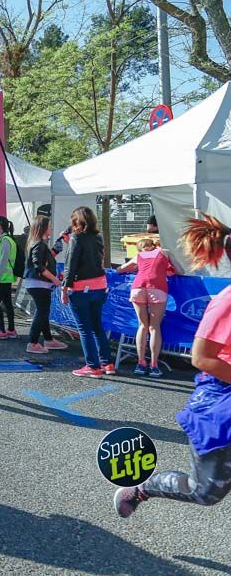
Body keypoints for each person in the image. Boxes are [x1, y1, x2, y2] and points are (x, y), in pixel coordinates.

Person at [114, 213, 231, 518]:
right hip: (221, 405)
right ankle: (141, 489)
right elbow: (201, 358)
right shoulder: (227, 301)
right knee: (204, 491)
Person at [117, 237, 183, 377]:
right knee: (154, 327)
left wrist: (136, 267)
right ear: (153, 245)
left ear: (140, 248)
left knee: (142, 326)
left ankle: (140, 363)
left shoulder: (139, 256)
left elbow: (120, 269)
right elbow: (180, 271)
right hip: (157, 288)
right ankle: (154, 365)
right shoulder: (165, 252)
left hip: (138, 287)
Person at [62, 206, 114, 378]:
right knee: (97, 325)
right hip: (100, 285)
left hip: (81, 287)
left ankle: (92, 366)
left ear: (76, 221)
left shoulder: (76, 238)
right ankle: (107, 363)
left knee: (84, 328)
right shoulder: (98, 238)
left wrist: (64, 287)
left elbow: (71, 264)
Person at [21, 216, 68, 354]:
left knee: (43, 312)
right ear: (43, 228)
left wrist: (57, 247)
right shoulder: (39, 244)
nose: (51, 228)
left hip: (38, 284)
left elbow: (43, 259)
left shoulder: (39, 244)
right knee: (42, 312)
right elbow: (38, 265)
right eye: (49, 226)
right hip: (39, 284)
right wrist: (54, 279)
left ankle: (48, 339)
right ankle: (33, 342)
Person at [0, 216, 18, 340]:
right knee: (7, 303)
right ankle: (11, 330)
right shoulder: (8, 239)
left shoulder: (4, 240)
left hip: (3, 278)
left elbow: (3, 261)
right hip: (7, 277)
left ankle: (2, 330)